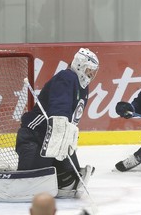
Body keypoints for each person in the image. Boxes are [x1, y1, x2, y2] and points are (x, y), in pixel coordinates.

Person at [15, 48, 99, 197]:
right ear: (79, 65)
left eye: (94, 71)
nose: (91, 75)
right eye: (89, 70)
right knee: (32, 181)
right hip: (35, 136)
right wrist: (60, 121)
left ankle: (61, 173)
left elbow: (73, 117)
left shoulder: (83, 87)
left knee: (69, 178)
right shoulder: (67, 77)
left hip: (56, 139)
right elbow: (61, 104)